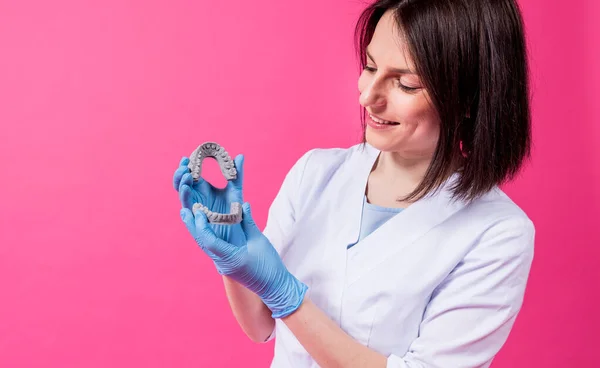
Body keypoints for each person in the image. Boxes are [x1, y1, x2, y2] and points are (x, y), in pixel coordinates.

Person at [173, 0, 535, 366]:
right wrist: (233, 261)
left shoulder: (497, 233)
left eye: (405, 84)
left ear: (469, 98)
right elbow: (260, 326)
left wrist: (287, 295)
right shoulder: (315, 174)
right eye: (370, 67)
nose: (368, 97)